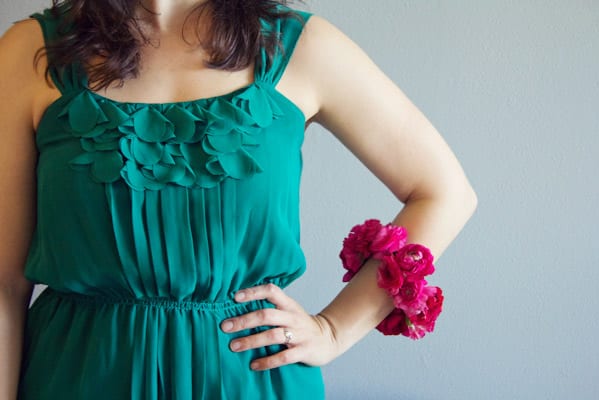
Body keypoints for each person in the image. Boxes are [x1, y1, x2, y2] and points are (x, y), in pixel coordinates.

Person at [0, 0, 477, 398]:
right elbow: (3, 287)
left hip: (249, 380)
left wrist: (334, 329)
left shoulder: (302, 48)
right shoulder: (30, 52)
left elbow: (444, 193)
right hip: (77, 378)